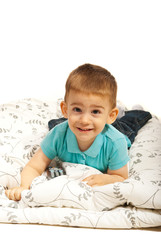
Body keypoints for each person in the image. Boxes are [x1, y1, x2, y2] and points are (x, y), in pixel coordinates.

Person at [5, 64, 134, 201]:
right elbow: (34, 166)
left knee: (128, 126)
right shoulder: (58, 134)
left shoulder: (116, 142)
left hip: (114, 129)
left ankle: (131, 113)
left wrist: (107, 179)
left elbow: (120, 177)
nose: (84, 120)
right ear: (65, 109)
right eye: (77, 109)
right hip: (69, 126)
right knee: (55, 124)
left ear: (111, 115)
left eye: (95, 111)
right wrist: (24, 187)